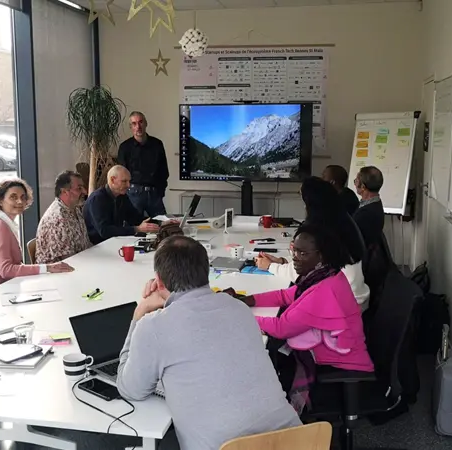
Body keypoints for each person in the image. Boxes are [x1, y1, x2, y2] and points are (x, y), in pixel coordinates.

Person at [116, 235, 301, 450]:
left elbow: (130, 389)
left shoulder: (153, 327)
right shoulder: (238, 308)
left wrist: (139, 315)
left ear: (158, 281)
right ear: (206, 271)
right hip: (299, 440)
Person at [228, 225, 374, 412]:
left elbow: (281, 328)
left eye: (303, 253)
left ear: (321, 256)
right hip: (334, 349)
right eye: (294, 251)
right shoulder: (327, 274)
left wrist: (235, 311)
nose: (294, 258)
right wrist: (247, 300)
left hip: (338, 361)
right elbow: (286, 295)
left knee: (266, 352)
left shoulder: (323, 290)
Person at [256, 176, 369, 310]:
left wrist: (270, 267)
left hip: (340, 306)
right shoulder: (342, 220)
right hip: (356, 298)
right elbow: (315, 266)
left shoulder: (316, 232)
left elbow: (300, 274)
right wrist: (281, 261)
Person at [0, 177, 73, 291]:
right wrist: (48, 268)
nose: (20, 201)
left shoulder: (6, 224)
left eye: (23, 197)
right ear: (0, 201)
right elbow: (6, 270)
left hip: (8, 286)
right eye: (13, 197)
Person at [83, 165, 160, 244]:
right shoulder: (97, 199)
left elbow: (136, 218)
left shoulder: (122, 196)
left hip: (114, 241)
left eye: (129, 181)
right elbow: (104, 231)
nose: (128, 185)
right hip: (96, 246)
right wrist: (137, 229)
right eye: (124, 181)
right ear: (112, 180)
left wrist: (160, 223)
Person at [117, 111, 169, 216]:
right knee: (135, 228)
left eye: (140, 122)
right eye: (134, 123)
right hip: (133, 194)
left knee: (164, 226)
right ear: (131, 127)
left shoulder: (157, 144)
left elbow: (164, 170)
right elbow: (122, 174)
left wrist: (160, 192)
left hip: (154, 194)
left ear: (146, 123)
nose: (138, 126)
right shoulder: (125, 147)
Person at [36, 170, 92, 264]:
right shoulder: (58, 219)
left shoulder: (75, 209)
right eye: (79, 188)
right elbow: (69, 260)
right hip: (58, 274)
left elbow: (85, 245)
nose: (85, 192)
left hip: (79, 264)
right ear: (64, 192)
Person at [353, 165, 386, 250]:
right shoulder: (374, 203)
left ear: (363, 187)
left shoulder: (366, 213)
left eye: (356, 181)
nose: (355, 183)